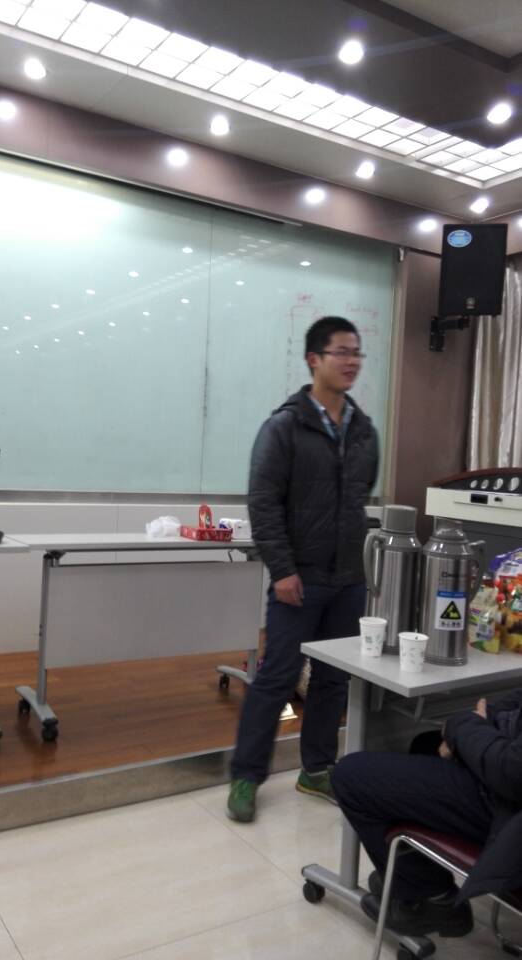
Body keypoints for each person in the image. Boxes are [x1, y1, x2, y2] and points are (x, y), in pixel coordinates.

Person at [227, 316, 378, 823]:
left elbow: (358, 500)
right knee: (277, 676)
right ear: (314, 359)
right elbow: (263, 502)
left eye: (356, 352)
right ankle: (246, 776)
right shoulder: (284, 427)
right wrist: (283, 569)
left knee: (333, 679)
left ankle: (316, 769)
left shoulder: (364, 430)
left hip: (348, 579)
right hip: (300, 577)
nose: (351, 361)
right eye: (341, 352)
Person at [331, 691, 522, 938]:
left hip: (508, 810)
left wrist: (462, 726)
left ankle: (430, 901)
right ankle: (411, 879)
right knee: (426, 744)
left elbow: (512, 771)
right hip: (507, 779)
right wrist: (481, 717)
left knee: (350, 776)